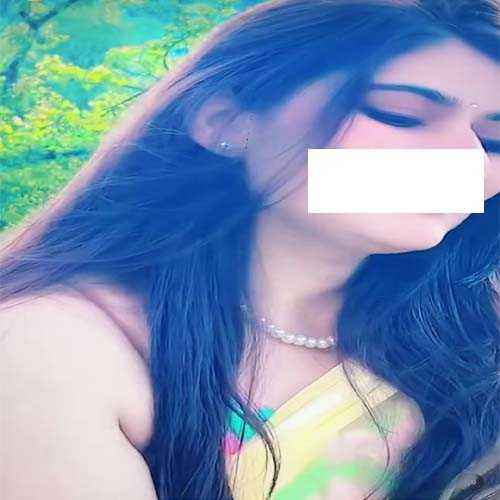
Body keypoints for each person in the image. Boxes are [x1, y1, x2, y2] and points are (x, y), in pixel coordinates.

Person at [0, 0, 499, 499]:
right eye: (399, 114)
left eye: (493, 140)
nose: (467, 160)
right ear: (226, 121)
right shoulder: (55, 345)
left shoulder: (475, 344)